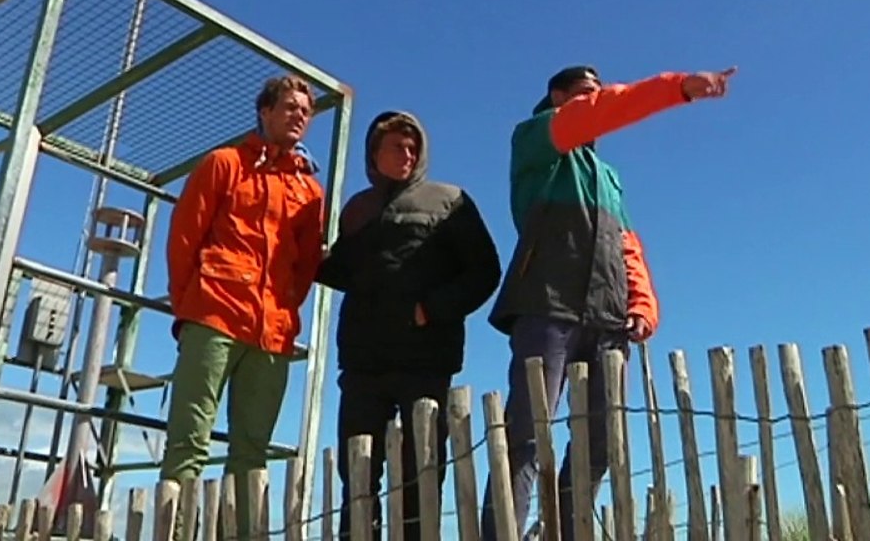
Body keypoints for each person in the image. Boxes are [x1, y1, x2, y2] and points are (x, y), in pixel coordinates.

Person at [479, 64, 737, 540]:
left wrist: (642, 305)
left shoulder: (607, 177)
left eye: (595, 93)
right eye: (582, 94)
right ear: (556, 97)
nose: (592, 101)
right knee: (527, 435)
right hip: (547, 303)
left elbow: (627, 246)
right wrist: (677, 87)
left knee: (601, 441)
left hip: (607, 316)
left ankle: (569, 532)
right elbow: (606, 109)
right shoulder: (535, 138)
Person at [316, 110, 502, 540]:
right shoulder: (357, 209)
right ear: (373, 153)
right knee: (357, 470)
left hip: (425, 357)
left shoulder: (449, 200)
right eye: (396, 146)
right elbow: (341, 271)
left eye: (412, 147)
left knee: (422, 467)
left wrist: (432, 310)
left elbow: (484, 270)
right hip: (363, 360)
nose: (407, 153)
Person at [160, 75, 326, 533]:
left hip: (273, 333)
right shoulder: (223, 164)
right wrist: (189, 307)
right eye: (289, 107)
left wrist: (284, 310)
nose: (298, 116)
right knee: (188, 442)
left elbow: (307, 264)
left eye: (305, 111)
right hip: (212, 315)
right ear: (265, 112)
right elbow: (184, 239)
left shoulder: (311, 192)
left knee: (252, 451)